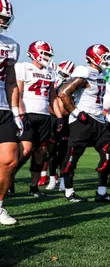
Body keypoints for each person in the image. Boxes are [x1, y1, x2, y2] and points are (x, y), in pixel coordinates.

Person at [57, 44, 110, 203]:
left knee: (109, 155)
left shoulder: (103, 73)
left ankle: (102, 192)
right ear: (95, 57)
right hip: (82, 122)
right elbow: (63, 93)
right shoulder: (85, 72)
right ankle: (69, 192)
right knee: (73, 157)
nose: (107, 61)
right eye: (105, 57)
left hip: (99, 121)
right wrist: (77, 113)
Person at [13, 41, 60, 197]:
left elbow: (53, 97)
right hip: (28, 113)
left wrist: (59, 117)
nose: (47, 57)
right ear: (34, 53)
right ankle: (8, 178)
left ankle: (33, 187)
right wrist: (20, 112)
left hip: (45, 115)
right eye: (45, 54)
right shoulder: (23, 67)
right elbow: (17, 92)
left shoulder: (50, 72)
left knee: (40, 152)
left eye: (48, 54)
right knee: (25, 150)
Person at [0, 0, 23, 225]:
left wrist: (16, 112)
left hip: (3, 106)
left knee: (9, 160)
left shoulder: (10, 45)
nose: (2, 21)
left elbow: (10, 81)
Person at [46, 60, 75, 190]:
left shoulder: (73, 85)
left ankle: (63, 179)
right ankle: (52, 178)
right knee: (51, 151)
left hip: (67, 118)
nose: (64, 76)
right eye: (62, 73)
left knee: (64, 151)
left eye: (67, 74)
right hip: (52, 118)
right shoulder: (53, 80)